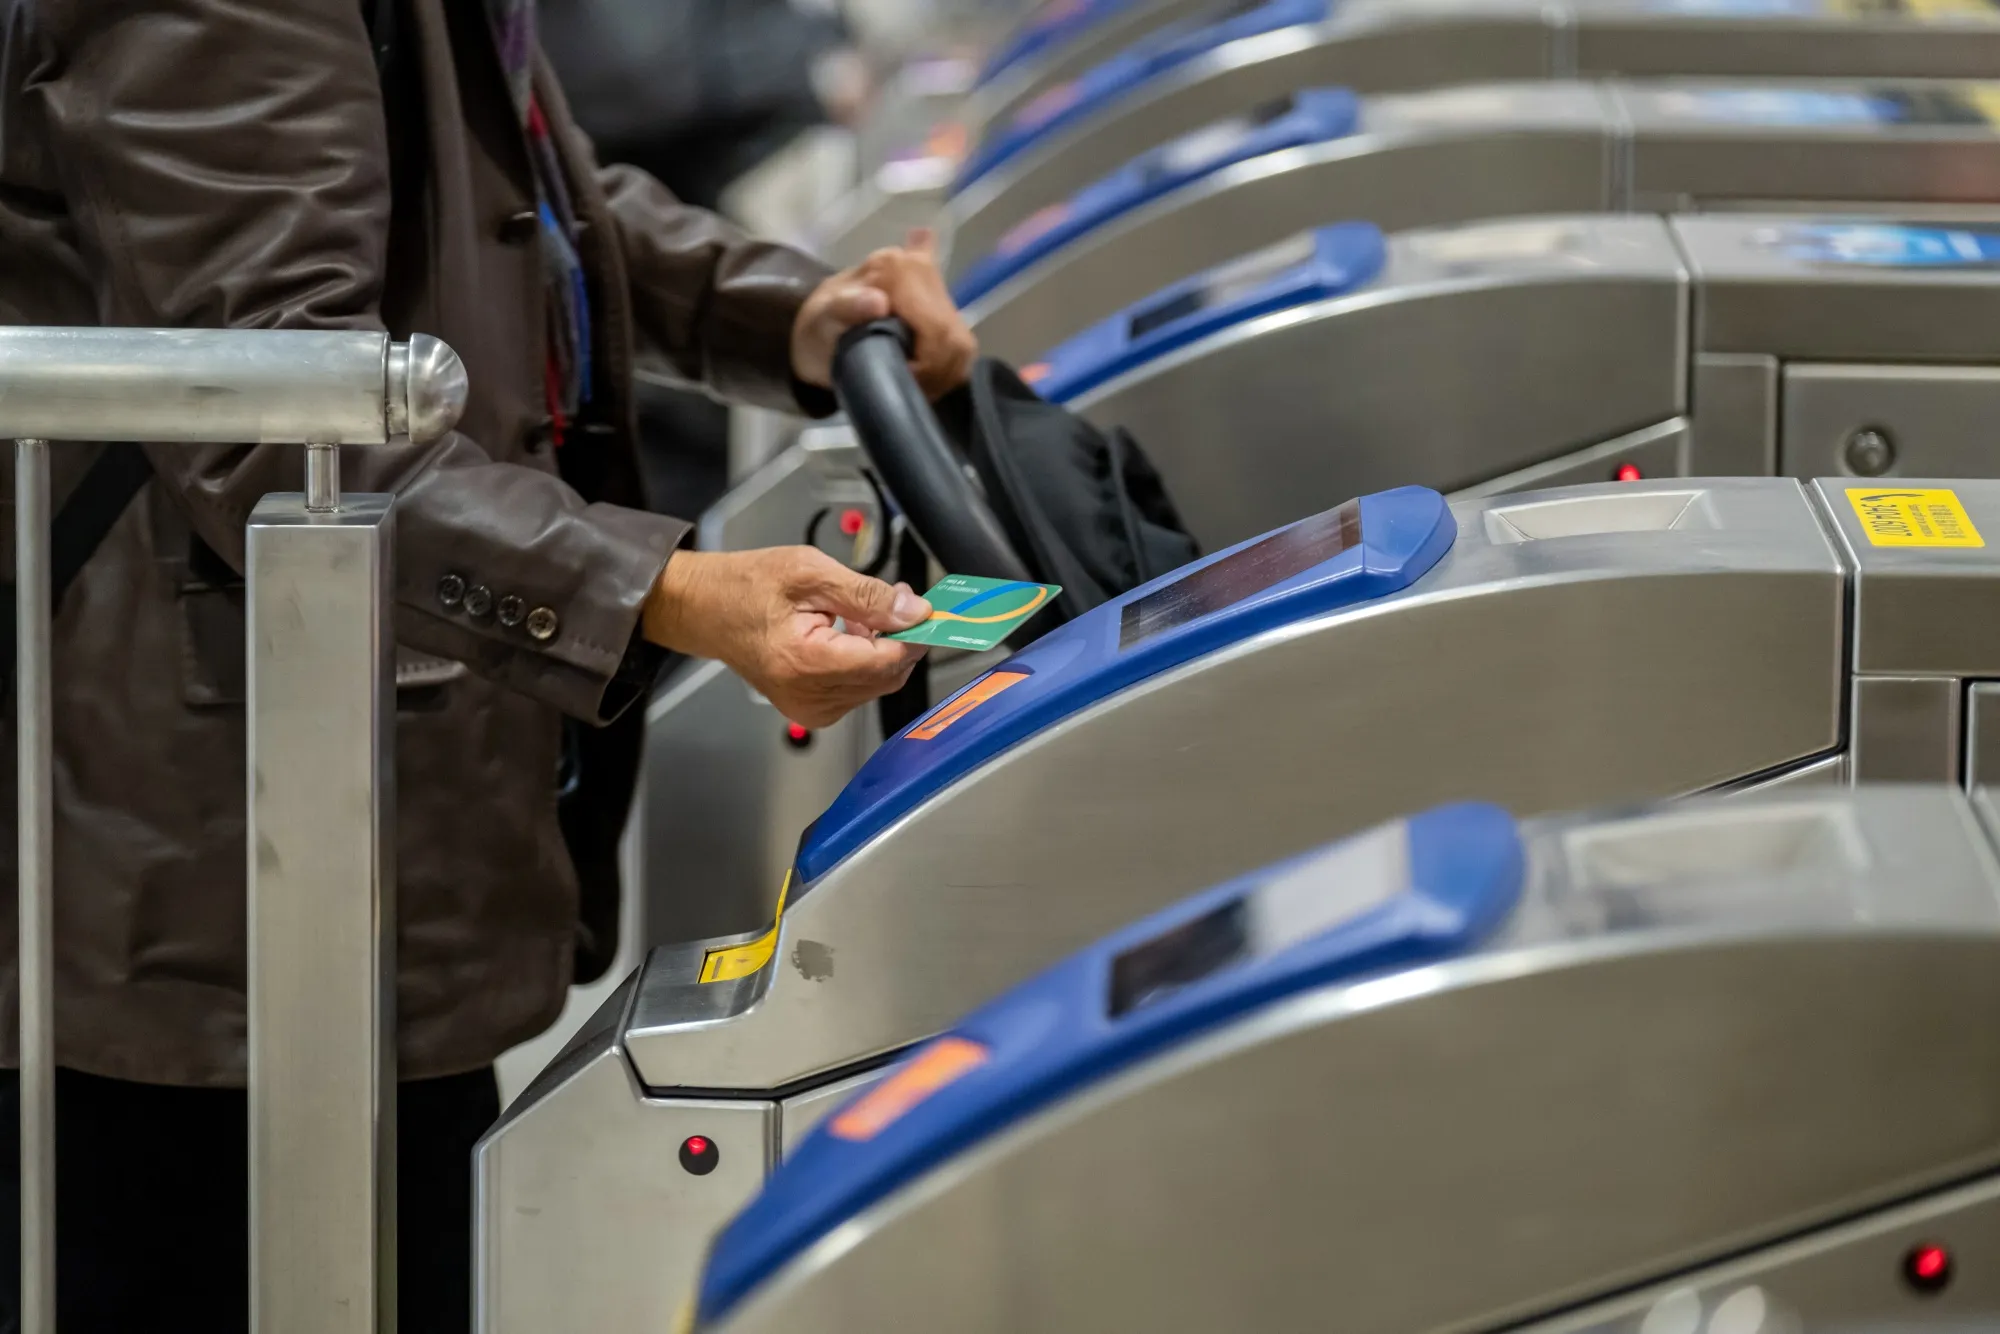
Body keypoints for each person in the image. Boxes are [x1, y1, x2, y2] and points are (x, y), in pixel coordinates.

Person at [0, 0, 977, 1328]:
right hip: (217, 870)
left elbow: (521, 212)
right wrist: (669, 593)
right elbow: (283, 413)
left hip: (323, 828)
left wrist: (794, 311)